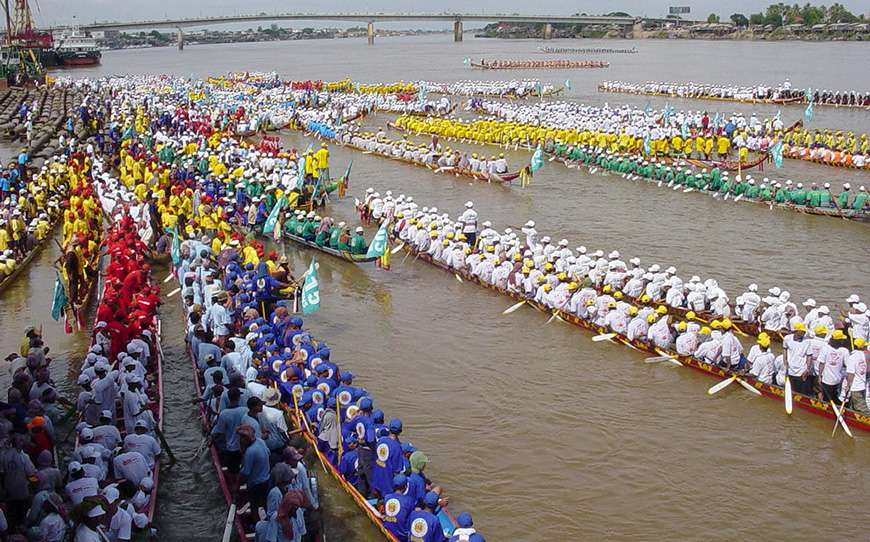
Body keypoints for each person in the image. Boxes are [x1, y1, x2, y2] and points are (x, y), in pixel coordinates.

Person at [238, 424, 271, 516]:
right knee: (265, 503)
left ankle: (256, 523)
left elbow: (246, 473)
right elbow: (268, 453)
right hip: (266, 480)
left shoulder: (250, 452)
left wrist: (237, 486)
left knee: (254, 506)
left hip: (255, 484)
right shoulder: (260, 441)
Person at [383, 474, 415, 541]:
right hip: (402, 535)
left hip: (388, 527)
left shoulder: (387, 497)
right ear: (405, 487)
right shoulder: (409, 501)